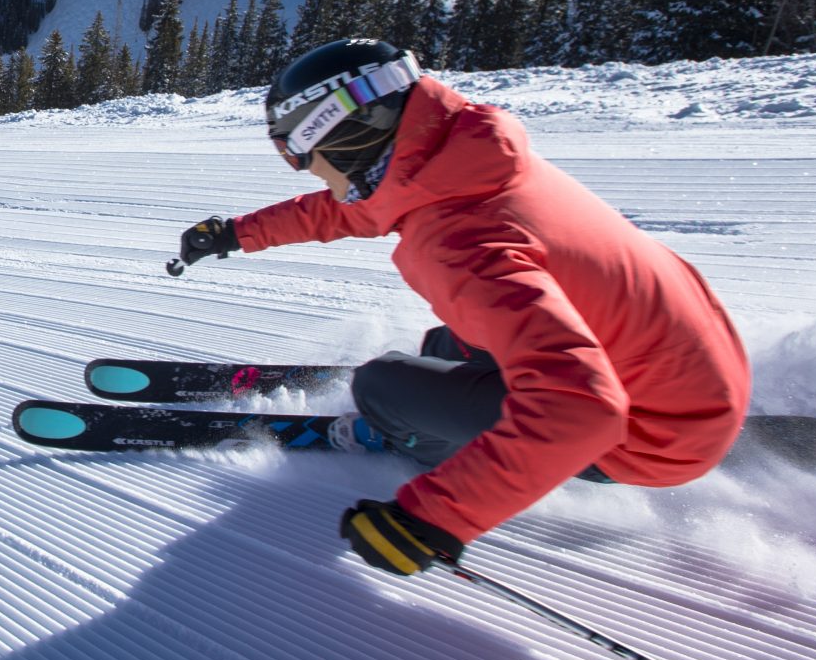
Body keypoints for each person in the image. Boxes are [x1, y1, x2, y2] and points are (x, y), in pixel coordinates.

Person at [177, 38, 751, 577]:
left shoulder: (459, 241)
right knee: (448, 345)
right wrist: (237, 233)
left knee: (381, 388)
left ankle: (409, 434)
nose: (304, 170)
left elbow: (581, 408)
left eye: (296, 152)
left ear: (341, 132)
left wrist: (432, 519)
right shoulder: (461, 161)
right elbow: (345, 212)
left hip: (645, 434)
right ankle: (446, 392)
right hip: (695, 377)